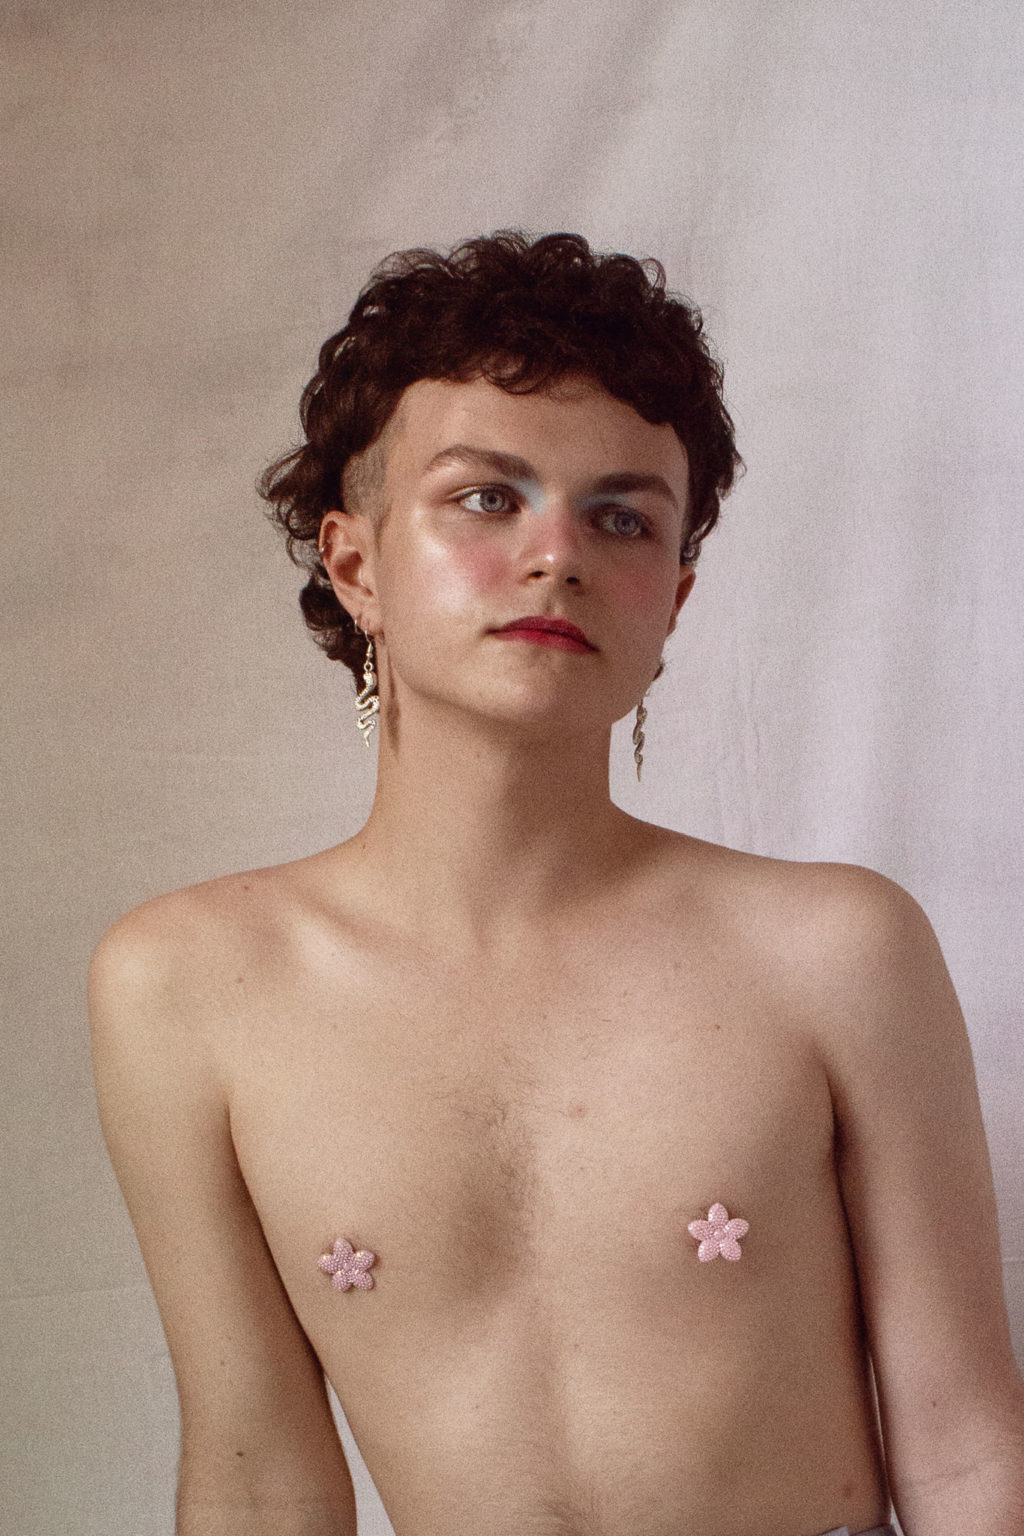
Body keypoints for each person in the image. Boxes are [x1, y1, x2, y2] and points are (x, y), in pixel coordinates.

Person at [89, 230, 1024, 1536]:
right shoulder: (187, 986)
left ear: (673, 599)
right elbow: (258, 1478)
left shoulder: (836, 950)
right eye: (487, 498)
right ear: (354, 565)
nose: (556, 556)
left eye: (621, 516)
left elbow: (969, 1445)